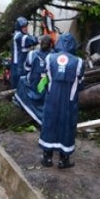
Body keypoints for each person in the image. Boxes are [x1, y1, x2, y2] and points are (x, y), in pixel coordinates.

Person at [39, 33, 85, 169]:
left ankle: (47, 158)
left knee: (49, 123)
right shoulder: (79, 62)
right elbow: (81, 82)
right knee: (67, 126)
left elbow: (45, 76)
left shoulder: (49, 58)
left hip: (52, 98)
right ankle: (63, 160)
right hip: (69, 101)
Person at [14, 34, 54, 125]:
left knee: (22, 80)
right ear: (51, 45)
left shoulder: (32, 54)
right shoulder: (53, 57)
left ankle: (20, 103)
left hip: (33, 85)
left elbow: (27, 69)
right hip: (45, 87)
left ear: (40, 43)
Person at [10, 17, 38, 89]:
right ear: (19, 27)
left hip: (21, 63)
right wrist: (41, 39)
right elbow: (31, 40)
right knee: (18, 84)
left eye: (26, 26)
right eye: (23, 27)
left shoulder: (23, 34)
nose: (25, 28)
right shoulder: (19, 36)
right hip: (18, 65)